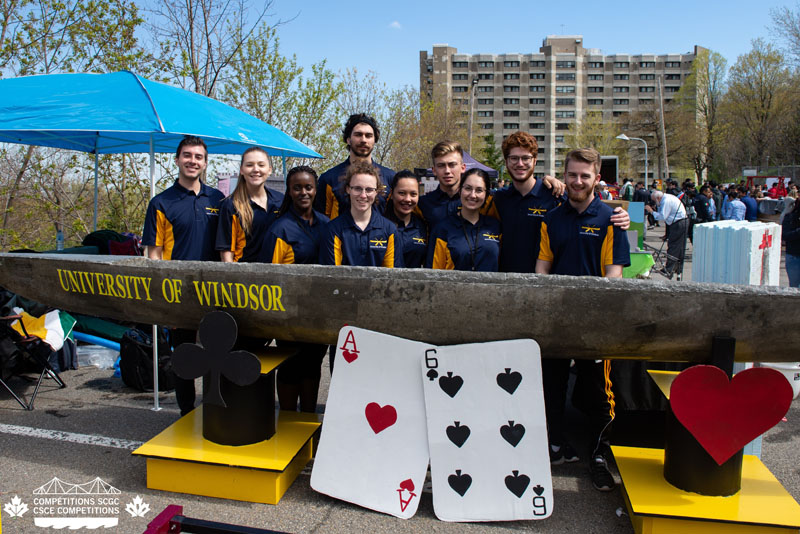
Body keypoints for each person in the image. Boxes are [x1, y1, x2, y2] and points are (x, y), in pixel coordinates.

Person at [535, 148, 630, 492]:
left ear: (596, 178)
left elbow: (613, 276)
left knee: (600, 395)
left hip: (595, 325)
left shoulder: (611, 219)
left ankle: (599, 457)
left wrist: (595, 320)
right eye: (572, 174)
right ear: (565, 175)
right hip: (556, 322)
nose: (577, 181)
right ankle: (553, 447)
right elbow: (542, 269)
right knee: (552, 388)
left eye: (584, 176)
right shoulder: (551, 219)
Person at [142, 136, 225, 416]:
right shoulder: (161, 203)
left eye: (198, 157)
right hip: (178, 293)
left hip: (216, 291)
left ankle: (215, 411)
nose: (193, 161)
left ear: (205, 163)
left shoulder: (218, 199)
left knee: (218, 355)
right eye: (187, 155)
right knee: (185, 358)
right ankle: (186, 414)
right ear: (176, 160)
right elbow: (153, 254)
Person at [263, 166, 330, 412]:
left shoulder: (327, 225)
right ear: (289, 191)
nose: (303, 192)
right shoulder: (279, 229)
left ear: (316, 190)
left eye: (308, 187)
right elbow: (269, 277)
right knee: (291, 365)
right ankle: (289, 419)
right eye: (297, 187)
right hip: (288, 314)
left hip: (319, 312)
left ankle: (309, 419)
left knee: (313, 364)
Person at [319, 161, 403, 268]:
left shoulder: (389, 230)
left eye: (369, 190)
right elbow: (331, 276)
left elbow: (392, 276)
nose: (363, 195)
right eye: (357, 188)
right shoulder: (333, 230)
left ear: (376, 191)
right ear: (348, 189)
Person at [314, 113, 394, 220]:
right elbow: (321, 220)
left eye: (368, 136)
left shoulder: (390, 177)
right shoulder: (328, 179)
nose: (363, 140)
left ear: (375, 140)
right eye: (358, 135)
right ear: (348, 139)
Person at [216, 147, 283, 263]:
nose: (256, 169)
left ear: (269, 170)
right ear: (241, 170)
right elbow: (226, 253)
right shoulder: (230, 205)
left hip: (275, 276)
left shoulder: (281, 201)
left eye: (261, 165)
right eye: (249, 165)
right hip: (243, 276)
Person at [426, 168, 502, 272]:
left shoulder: (495, 227)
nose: (473, 195)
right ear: (459, 190)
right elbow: (433, 274)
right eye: (468, 188)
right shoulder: (442, 229)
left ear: (486, 194)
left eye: (479, 190)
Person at [384, 170, 428, 268]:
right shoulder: (380, 226)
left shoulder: (423, 227)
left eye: (413, 194)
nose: (408, 199)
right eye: (402, 193)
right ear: (392, 194)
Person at [645, 190, 687, 278]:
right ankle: (677, 268)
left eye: (654, 200)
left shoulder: (666, 201)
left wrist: (651, 211)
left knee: (673, 246)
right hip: (679, 222)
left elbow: (662, 216)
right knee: (679, 247)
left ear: (658, 198)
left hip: (678, 223)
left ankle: (669, 269)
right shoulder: (667, 198)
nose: (655, 203)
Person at [785, 197, 800, 287]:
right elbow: (785, 235)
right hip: (794, 256)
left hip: (792, 257)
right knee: (794, 288)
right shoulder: (789, 217)